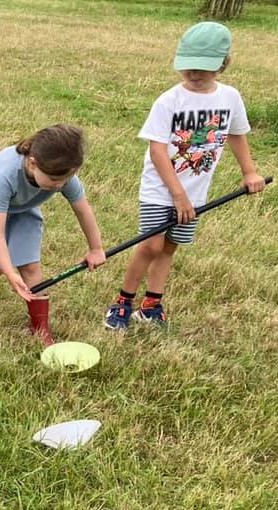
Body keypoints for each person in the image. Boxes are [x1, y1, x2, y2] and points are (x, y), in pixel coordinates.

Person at [103, 22, 266, 330]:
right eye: (188, 66)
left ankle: (151, 305)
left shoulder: (230, 98)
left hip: (195, 192)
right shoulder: (170, 100)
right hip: (161, 189)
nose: (193, 73)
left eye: (202, 68)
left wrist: (249, 171)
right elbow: (157, 152)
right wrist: (177, 194)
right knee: (150, 245)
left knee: (169, 246)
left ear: (223, 63)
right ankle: (122, 303)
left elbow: (236, 134)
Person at [0, 124, 106, 346]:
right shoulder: (7, 175)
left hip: (23, 209)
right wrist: (9, 272)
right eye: (54, 181)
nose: (59, 185)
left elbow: (82, 209)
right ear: (32, 163)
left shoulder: (63, 176)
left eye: (65, 179)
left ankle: (39, 326)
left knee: (31, 266)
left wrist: (96, 248)